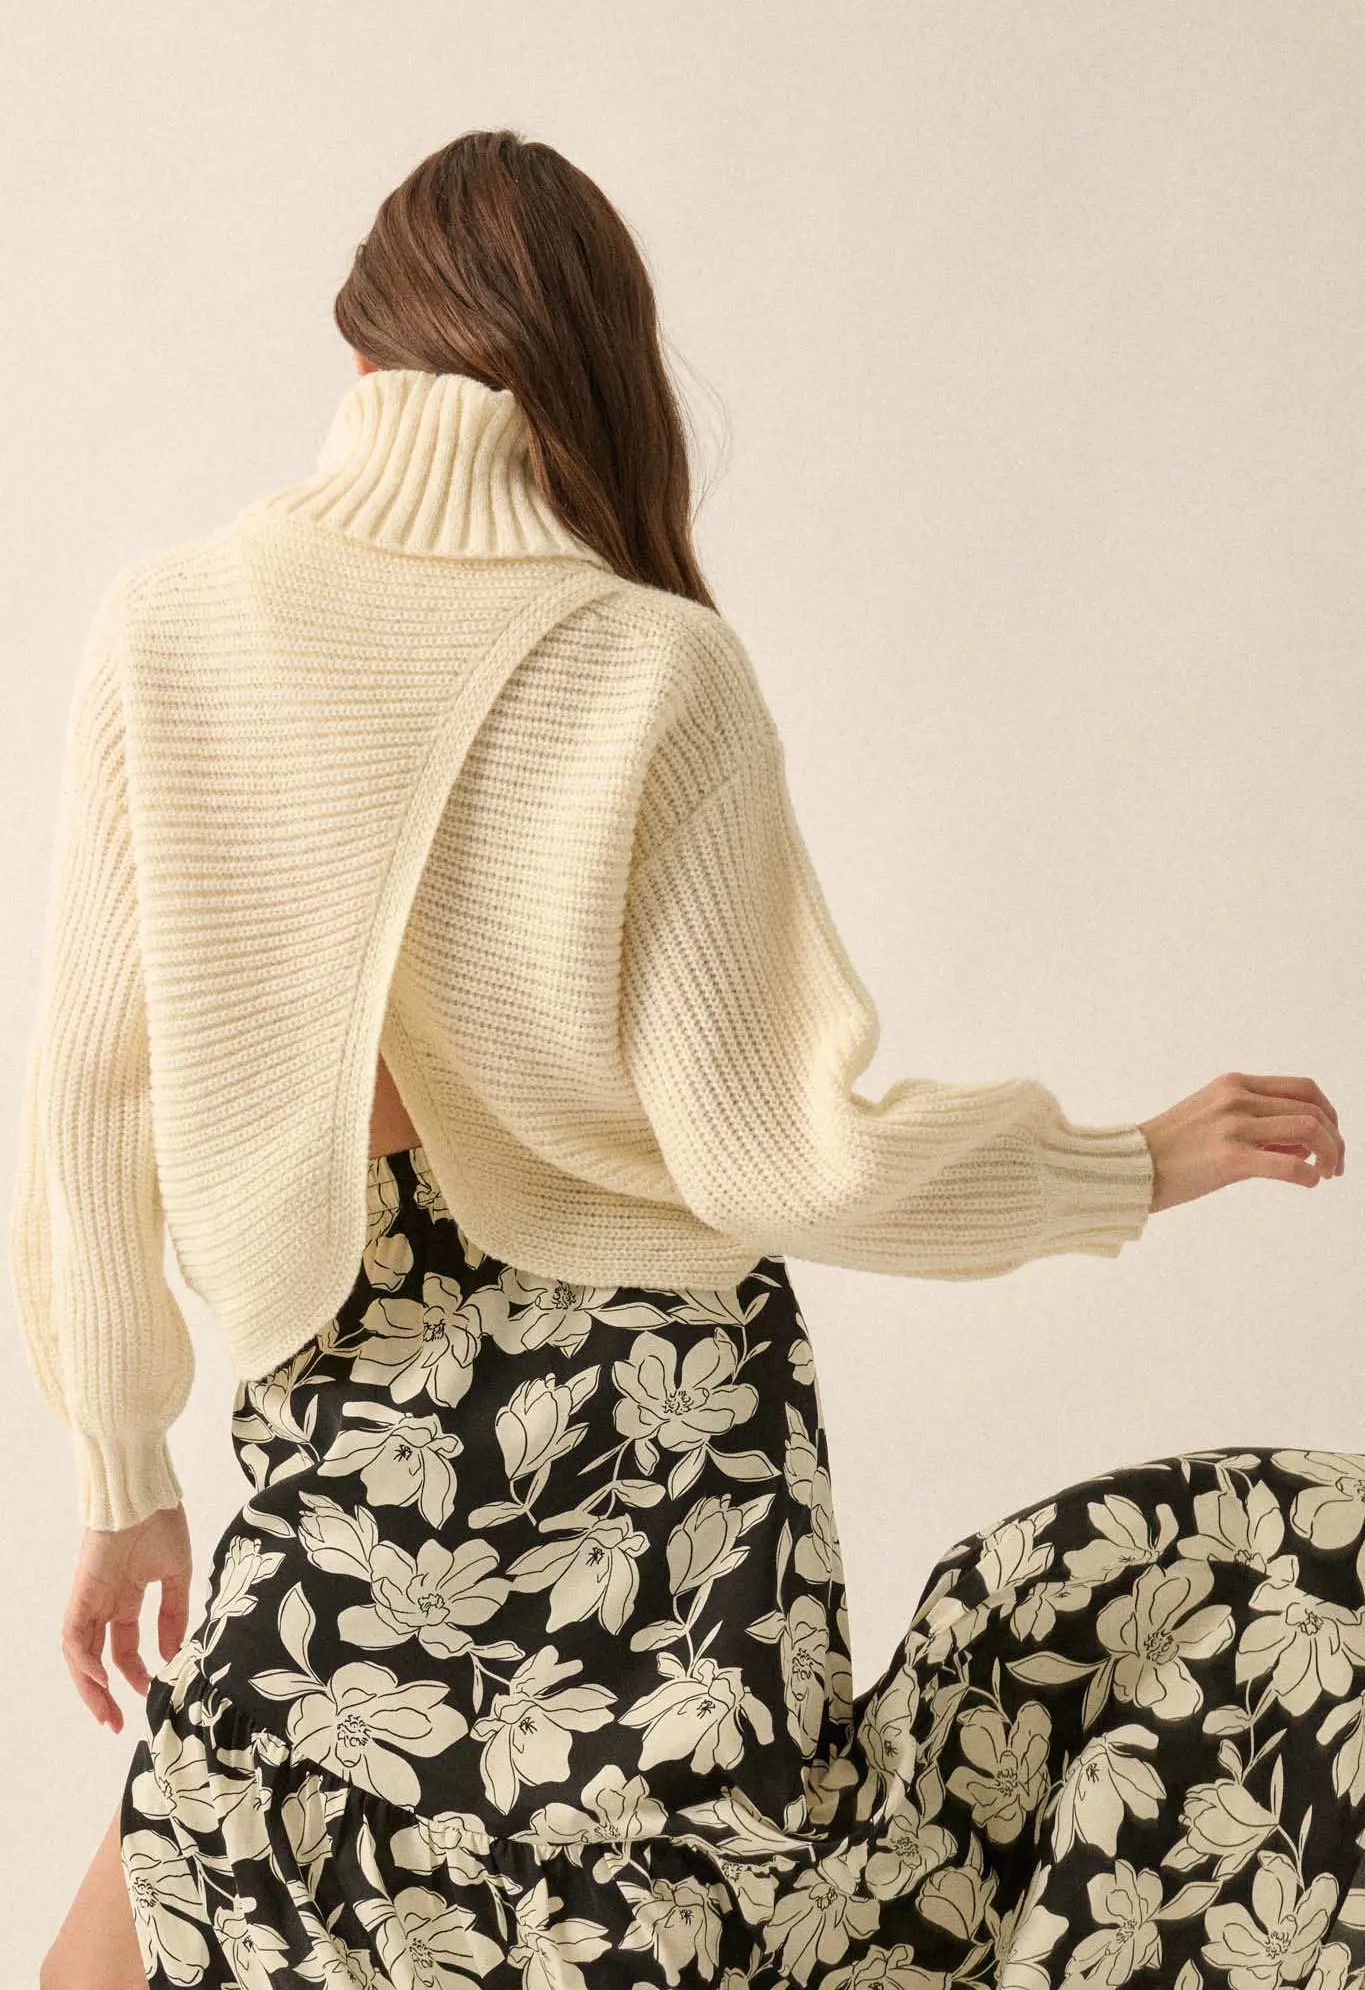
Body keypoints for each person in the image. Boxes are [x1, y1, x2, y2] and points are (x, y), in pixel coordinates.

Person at [16, 129, 1361, 1990]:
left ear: (362, 353)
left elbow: (93, 1097)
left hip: (353, 1393)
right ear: (597, 372)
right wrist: (1123, 1162)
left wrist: (123, 1473)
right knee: (677, 1918)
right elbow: (775, 1162)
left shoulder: (168, 625)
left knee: (217, 1860)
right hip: (663, 1427)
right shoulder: (651, 664)